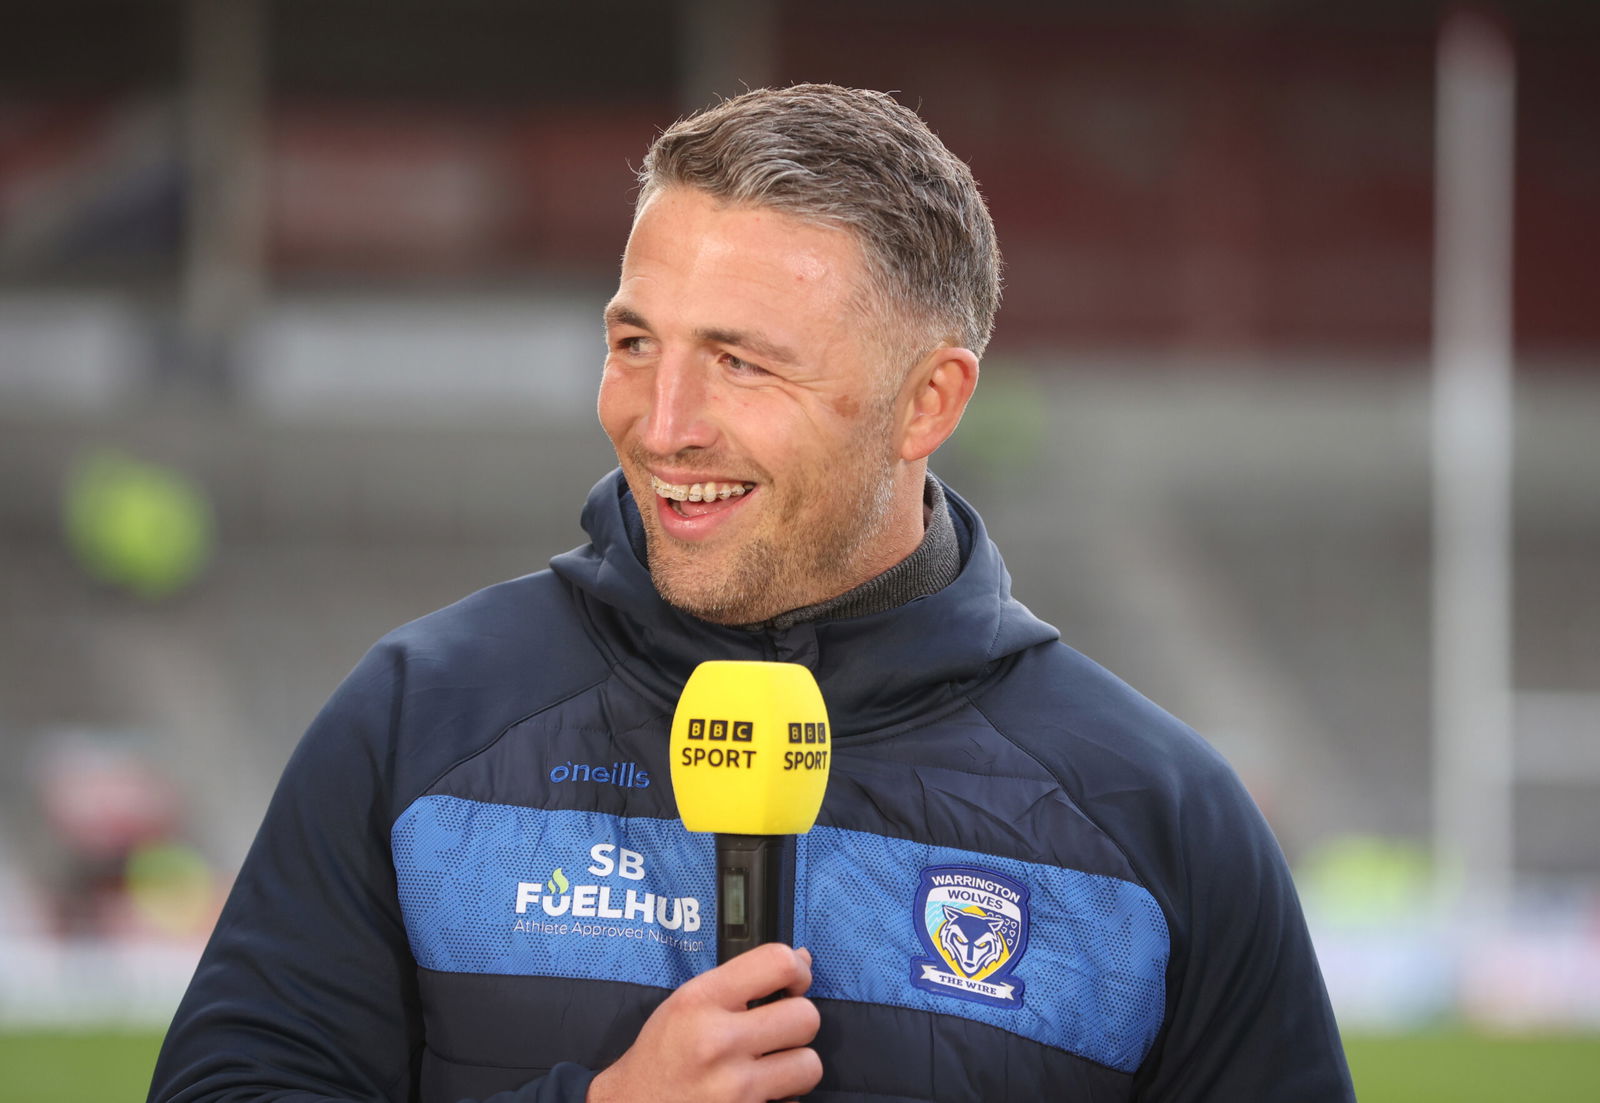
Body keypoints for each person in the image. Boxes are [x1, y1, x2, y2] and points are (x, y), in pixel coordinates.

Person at [148, 84, 1355, 1103]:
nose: (661, 425)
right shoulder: (419, 719)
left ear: (928, 401)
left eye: (740, 361)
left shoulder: (1159, 820)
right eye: (634, 344)